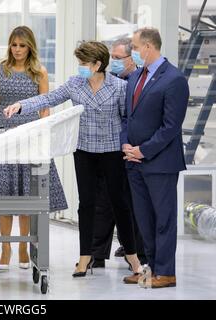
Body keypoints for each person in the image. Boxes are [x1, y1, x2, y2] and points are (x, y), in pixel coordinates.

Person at [4, 41, 142, 278]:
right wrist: (20, 106)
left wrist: (129, 145)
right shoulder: (75, 83)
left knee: (120, 204)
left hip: (111, 152)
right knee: (86, 204)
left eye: (84, 63)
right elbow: (48, 98)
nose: (80, 67)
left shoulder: (119, 87)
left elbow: (127, 118)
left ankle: (132, 256)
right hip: (84, 151)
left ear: (98, 64)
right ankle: (84, 257)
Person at [0, 26, 68, 271]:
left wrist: (44, 137)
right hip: (3, 137)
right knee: (3, 193)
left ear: (30, 46)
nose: (17, 50)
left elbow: (45, 108)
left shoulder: (39, 72)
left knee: (25, 194)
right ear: (9, 46)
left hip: (30, 139)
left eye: (22, 45)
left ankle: (23, 245)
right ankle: (5, 246)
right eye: (14, 45)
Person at [121, 28, 189, 288]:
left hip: (159, 163)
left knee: (163, 219)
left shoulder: (174, 79)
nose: (132, 52)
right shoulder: (136, 76)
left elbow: (171, 126)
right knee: (144, 220)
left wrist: (144, 150)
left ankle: (166, 272)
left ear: (148, 47)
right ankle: (150, 268)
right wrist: (126, 144)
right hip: (134, 161)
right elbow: (129, 117)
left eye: (135, 47)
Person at [91, 38, 147, 269]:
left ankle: (137, 250)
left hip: (133, 150)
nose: (112, 62)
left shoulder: (140, 81)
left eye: (117, 58)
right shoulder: (109, 81)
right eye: (110, 57)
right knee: (103, 202)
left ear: (131, 58)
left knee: (134, 203)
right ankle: (97, 253)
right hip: (109, 149)